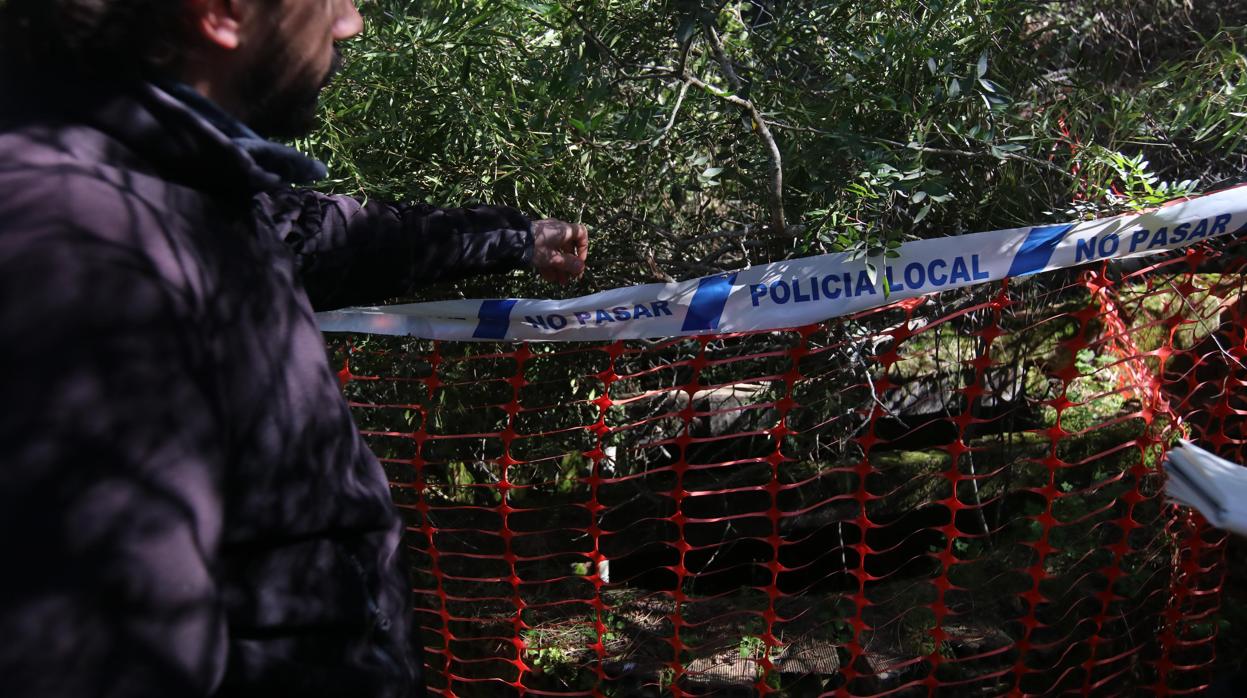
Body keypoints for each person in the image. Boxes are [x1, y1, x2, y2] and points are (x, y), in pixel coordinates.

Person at [0, 1, 589, 696]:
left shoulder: (183, 192)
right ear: (220, 12)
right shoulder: (76, 252)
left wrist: (518, 238)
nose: (349, 24)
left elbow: (337, 234)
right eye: (332, 0)